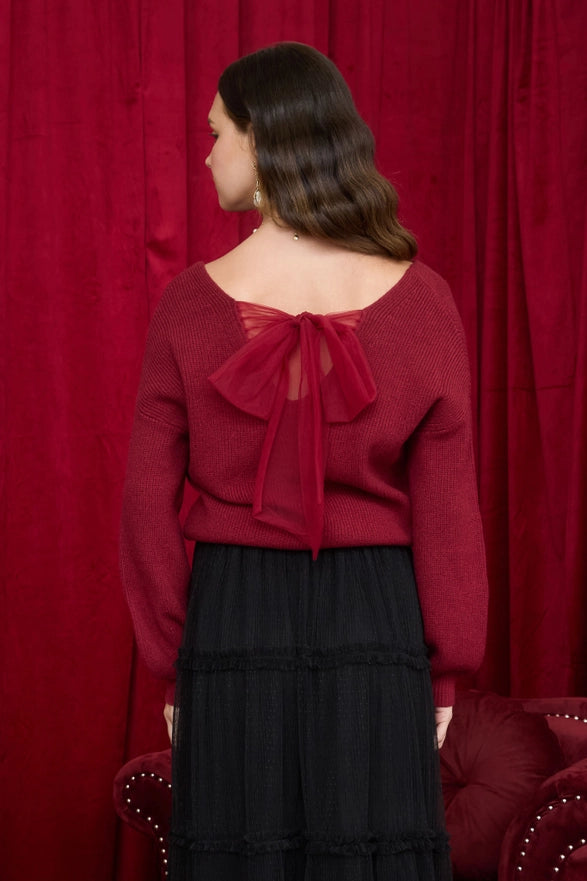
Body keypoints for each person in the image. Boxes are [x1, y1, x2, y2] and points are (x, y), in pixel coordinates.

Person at [120, 41, 488, 881]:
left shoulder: (187, 302)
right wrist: (445, 668)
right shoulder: (423, 299)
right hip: (376, 619)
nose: (207, 151)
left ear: (263, 138)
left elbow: (146, 500)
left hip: (232, 615)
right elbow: (447, 510)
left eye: (216, 132)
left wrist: (172, 662)